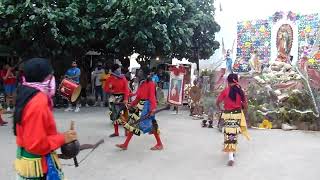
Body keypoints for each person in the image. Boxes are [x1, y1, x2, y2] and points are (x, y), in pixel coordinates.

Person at [13, 58, 77, 179]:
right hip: (38, 165)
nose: (53, 79)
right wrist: (63, 138)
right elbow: (36, 145)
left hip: (26, 158)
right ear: (46, 79)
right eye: (51, 75)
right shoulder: (38, 101)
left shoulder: (25, 92)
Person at [115, 69, 164, 150]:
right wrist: (132, 104)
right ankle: (125, 144)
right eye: (138, 75)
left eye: (140, 74)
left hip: (147, 107)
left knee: (152, 126)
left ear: (146, 75)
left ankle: (159, 144)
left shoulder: (151, 84)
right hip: (140, 106)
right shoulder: (142, 84)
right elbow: (138, 97)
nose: (138, 76)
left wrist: (152, 109)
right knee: (133, 125)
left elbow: (152, 97)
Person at [216, 73, 250, 166]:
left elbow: (218, 102)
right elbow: (246, 105)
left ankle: (230, 155)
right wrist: (244, 113)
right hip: (238, 114)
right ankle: (232, 152)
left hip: (227, 115)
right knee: (234, 133)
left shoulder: (225, 91)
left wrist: (220, 108)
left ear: (228, 81)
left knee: (229, 134)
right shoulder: (241, 92)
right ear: (236, 81)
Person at [104, 64, 130, 137]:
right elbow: (105, 88)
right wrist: (110, 90)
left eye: (120, 69)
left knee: (122, 115)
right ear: (114, 70)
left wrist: (125, 99)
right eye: (118, 69)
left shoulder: (123, 78)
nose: (119, 70)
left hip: (122, 97)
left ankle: (126, 130)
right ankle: (117, 132)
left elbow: (126, 90)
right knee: (114, 115)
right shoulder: (110, 78)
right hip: (113, 98)